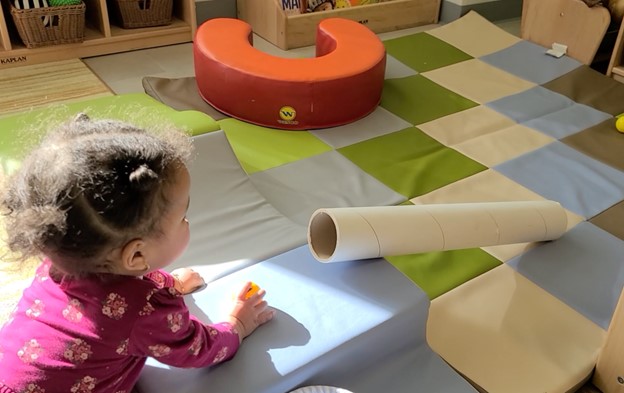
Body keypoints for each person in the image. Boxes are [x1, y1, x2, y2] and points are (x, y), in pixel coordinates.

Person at [0, 114, 275, 393]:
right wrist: (237, 325)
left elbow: (114, 284)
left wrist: (169, 283)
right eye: (183, 216)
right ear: (135, 257)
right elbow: (196, 349)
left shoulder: (60, 260)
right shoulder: (147, 309)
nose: (188, 222)